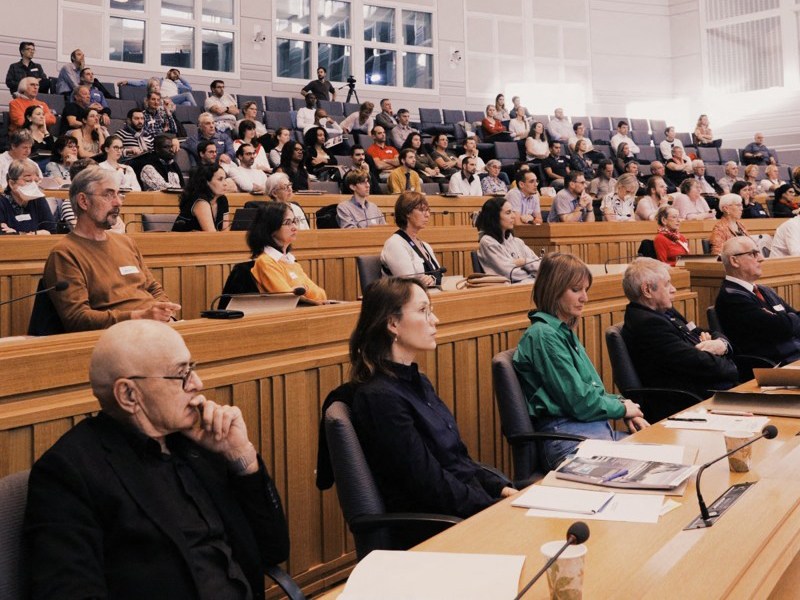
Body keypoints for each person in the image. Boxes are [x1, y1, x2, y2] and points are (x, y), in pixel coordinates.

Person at [24, 319, 289, 599]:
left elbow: (274, 550)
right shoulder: (70, 472)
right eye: (181, 374)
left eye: (193, 369)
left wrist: (242, 458)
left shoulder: (199, 444)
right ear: (128, 395)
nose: (198, 384)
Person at [350, 277, 514, 525]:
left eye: (432, 311)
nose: (435, 320)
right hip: (440, 526)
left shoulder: (418, 383)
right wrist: (492, 509)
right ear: (393, 323)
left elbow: (457, 461)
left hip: (465, 509)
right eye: (423, 311)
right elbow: (428, 484)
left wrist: (501, 489)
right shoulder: (380, 398)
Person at [512, 252, 648, 470]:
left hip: (591, 432)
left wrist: (623, 404)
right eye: (576, 290)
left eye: (586, 290)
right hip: (568, 439)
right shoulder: (543, 335)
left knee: (665, 457)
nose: (585, 297)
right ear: (554, 291)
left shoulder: (561, 331)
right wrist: (622, 410)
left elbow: (592, 391)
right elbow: (580, 402)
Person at [43, 166, 181, 332]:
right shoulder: (64, 253)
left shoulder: (126, 242)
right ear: (83, 201)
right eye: (108, 195)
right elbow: (77, 318)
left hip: (156, 329)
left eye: (118, 194)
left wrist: (167, 315)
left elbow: (154, 289)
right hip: (117, 338)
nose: (118, 202)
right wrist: (138, 317)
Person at [621, 258, 738, 399]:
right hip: (694, 400)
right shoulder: (649, 324)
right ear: (647, 290)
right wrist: (732, 365)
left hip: (711, 389)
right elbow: (697, 363)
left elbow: (701, 331)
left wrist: (721, 344)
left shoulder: (663, 312)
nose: (673, 289)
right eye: (667, 284)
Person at [716, 237, 800, 364]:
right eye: (753, 254)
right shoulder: (731, 297)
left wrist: (788, 320)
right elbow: (780, 328)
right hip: (775, 365)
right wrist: (789, 320)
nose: (761, 258)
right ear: (734, 261)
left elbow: (791, 321)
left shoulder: (765, 291)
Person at [246, 201, 327, 303]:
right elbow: (288, 299)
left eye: (294, 221)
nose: (294, 227)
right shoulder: (266, 262)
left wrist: (304, 288)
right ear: (271, 229)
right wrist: (305, 291)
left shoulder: (290, 260)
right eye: (288, 223)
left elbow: (322, 296)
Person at [381, 191, 441, 286]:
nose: (427, 215)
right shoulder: (394, 244)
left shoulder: (426, 245)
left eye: (428, 210)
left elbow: (440, 274)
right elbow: (408, 282)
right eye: (422, 210)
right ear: (407, 213)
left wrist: (432, 280)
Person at [476, 197, 539, 282]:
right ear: (495, 217)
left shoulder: (517, 241)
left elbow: (540, 265)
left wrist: (523, 262)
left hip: (529, 283)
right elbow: (511, 273)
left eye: (512, 211)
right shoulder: (487, 242)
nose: (513, 216)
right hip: (507, 290)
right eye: (508, 213)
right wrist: (529, 267)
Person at [0, 160, 55, 234]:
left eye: (36, 181)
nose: (33, 185)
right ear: (12, 184)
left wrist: (18, 234)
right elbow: (3, 235)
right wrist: (37, 233)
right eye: (28, 181)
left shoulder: (38, 199)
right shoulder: (2, 202)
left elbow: (51, 231)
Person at [172, 164, 229, 232]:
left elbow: (225, 231)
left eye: (225, 179)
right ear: (206, 182)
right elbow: (211, 234)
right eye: (220, 179)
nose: (225, 183)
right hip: (181, 241)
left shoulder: (222, 199)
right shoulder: (200, 201)